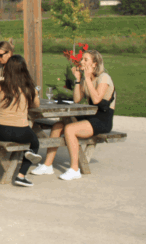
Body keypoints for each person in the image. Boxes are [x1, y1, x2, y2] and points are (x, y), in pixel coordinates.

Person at [31, 50, 116, 181]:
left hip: (102, 119)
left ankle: (74, 169)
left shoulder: (104, 78)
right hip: (89, 116)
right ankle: (47, 165)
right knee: (58, 126)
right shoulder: (86, 79)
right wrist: (78, 79)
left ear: (94, 64)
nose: (81, 62)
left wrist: (86, 78)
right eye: (82, 59)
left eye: (85, 60)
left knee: (70, 129)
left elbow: (97, 99)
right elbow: (77, 99)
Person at [0, 55, 42, 187]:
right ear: (24, 70)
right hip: (21, 131)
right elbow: (36, 105)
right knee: (35, 142)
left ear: (7, 69)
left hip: (0, 131)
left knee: (27, 141)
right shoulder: (29, 87)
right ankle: (21, 175)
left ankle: (27, 154)